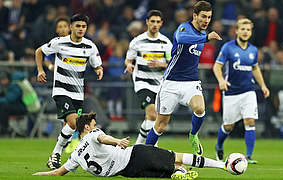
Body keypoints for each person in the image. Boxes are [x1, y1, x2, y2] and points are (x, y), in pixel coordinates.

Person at [33, 112, 228, 179]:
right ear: (87, 127)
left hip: (128, 172)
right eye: (94, 124)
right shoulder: (93, 134)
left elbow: (58, 172)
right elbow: (102, 139)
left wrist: (38, 175)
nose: (96, 126)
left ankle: (179, 172)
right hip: (134, 155)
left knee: (168, 172)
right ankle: (222, 166)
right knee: (177, 157)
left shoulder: (75, 154)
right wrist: (118, 141)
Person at [145, 1, 222, 156]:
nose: (207, 20)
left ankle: (193, 135)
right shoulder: (184, 28)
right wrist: (206, 38)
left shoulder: (202, 34)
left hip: (191, 82)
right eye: (203, 17)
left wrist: (204, 37)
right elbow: (182, 39)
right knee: (160, 126)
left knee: (200, 109)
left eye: (209, 17)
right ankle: (145, 155)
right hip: (171, 83)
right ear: (195, 15)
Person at [35, 14, 104, 170]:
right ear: (71, 27)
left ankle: (56, 155)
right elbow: (39, 52)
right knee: (74, 122)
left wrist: (99, 69)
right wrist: (40, 70)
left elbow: (96, 64)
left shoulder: (90, 46)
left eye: (83, 26)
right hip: (61, 90)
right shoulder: (59, 43)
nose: (80, 29)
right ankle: (59, 154)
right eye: (78, 26)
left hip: (78, 93)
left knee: (71, 126)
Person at [213, 18, 270, 164]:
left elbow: (255, 68)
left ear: (251, 33)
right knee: (228, 126)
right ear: (237, 31)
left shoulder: (253, 50)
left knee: (250, 121)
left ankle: (249, 156)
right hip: (231, 92)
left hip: (248, 91)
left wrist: (263, 86)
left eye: (248, 30)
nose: (245, 32)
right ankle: (219, 145)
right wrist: (221, 81)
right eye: (243, 29)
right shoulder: (228, 47)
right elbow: (217, 66)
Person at [124, 10, 173, 144]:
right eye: (152, 21)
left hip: (160, 84)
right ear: (147, 22)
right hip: (142, 81)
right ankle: (153, 147)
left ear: (161, 23)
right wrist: (129, 65)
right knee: (152, 114)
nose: (155, 24)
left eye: (158, 22)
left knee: (152, 119)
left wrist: (161, 64)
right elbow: (128, 60)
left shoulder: (165, 43)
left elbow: (171, 64)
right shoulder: (137, 41)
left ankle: (138, 145)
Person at [0, 70, 40, 136]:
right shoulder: (19, 80)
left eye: (3, 79)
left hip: (28, 107)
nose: (2, 82)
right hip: (31, 105)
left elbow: (10, 99)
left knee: (4, 106)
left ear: (8, 78)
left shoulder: (16, 83)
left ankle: (4, 130)